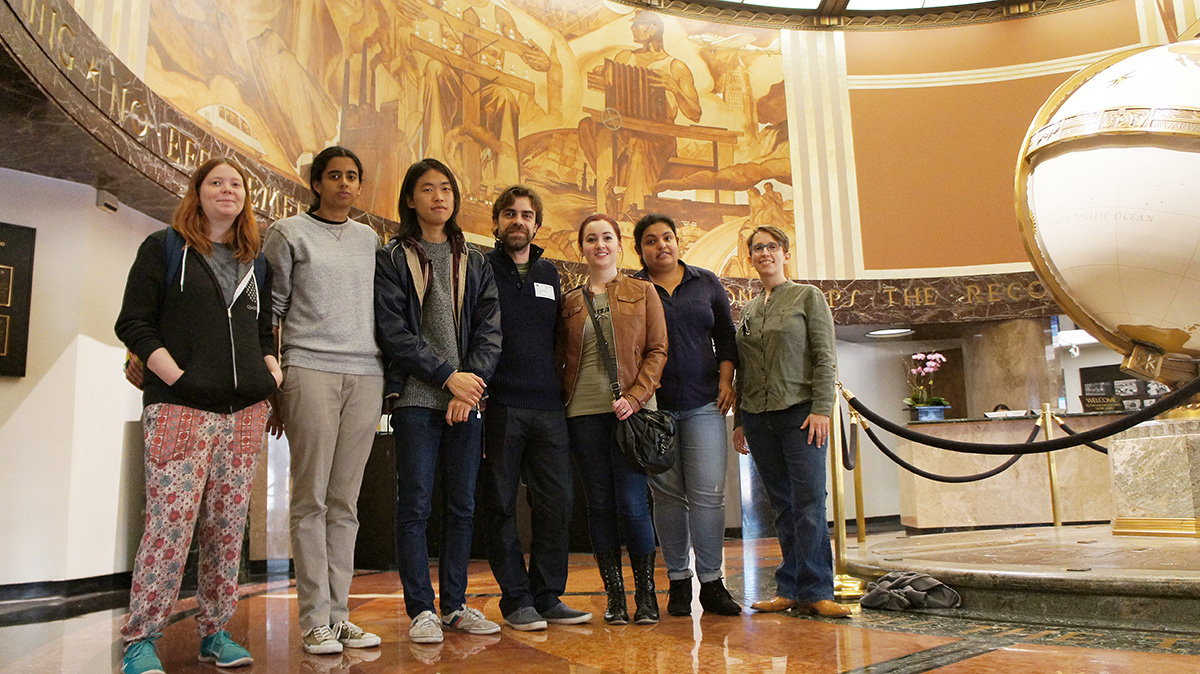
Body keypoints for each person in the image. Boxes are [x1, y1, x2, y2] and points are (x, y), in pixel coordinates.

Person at [114, 157, 281, 674]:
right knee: (169, 525)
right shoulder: (163, 248)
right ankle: (141, 638)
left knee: (227, 528)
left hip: (243, 412)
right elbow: (135, 322)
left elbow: (262, 334)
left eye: (236, 184)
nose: (227, 190)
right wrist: (176, 378)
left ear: (246, 198)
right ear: (198, 191)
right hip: (180, 409)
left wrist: (270, 375)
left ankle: (216, 630)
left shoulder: (258, 262)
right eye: (216, 182)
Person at [374, 158, 503, 644]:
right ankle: (420, 609)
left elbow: (491, 331)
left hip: (466, 398)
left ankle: (454, 605)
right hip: (415, 398)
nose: (438, 197)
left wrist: (470, 385)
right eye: (427, 189)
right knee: (416, 504)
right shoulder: (392, 258)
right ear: (410, 199)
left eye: (446, 188)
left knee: (463, 505)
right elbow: (394, 332)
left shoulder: (475, 259)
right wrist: (449, 376)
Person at [262, 146, 385, 655]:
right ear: (317, 182)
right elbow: (271, 312)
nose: (344, 185)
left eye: (352, 177)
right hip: (307, 367)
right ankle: (314, 619)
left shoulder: (370, 239)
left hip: (366, 372)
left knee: (346, 501)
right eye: (334, 176)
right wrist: (274, 387)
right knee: (309, 496)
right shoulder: (287, 233)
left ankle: (339, 614)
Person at [478, 186, 593, 631]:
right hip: (499, 405)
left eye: (526, 215)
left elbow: (560, 341)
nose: (518, 222)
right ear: (496, 222)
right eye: (510, 214)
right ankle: (516, 599)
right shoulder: (480, 269)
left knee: (556, 503)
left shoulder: (550, 274)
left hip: (548, 407)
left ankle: (547, 596)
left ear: (537, 225)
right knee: (501, 504)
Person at [731, 225, 851, 618]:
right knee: (781, 506)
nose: (764, 253)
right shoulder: (748, 309)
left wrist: (821, 408)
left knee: (809, 503)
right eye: (757, 249)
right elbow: (744, 369)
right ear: (751, 258)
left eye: (771, 247)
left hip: (801, 414)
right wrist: (741, 420)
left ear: (785, 253)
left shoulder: (807, 296)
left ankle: (818, 592)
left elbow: (824, 356)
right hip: (759, 419)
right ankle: (789, 588)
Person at [557, 214, 668, 625]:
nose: (599, 244)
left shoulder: (643, 292)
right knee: (599, 506)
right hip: (582, 414)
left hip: (632, 415)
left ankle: (647, 596)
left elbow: (657, 351)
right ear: (581, 248)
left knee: (633, 505)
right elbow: (560, 361)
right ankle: (616, 599)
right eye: (590, 239)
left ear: (619, 245)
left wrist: (637, 398)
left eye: (607, 237)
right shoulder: (569, 301)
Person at [632, 214, 742, 617]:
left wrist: (727, 381)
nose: (661, 245)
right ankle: (678, 581)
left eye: (667, 238)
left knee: (709, 497)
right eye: (650, 241)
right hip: (655, 410)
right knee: (666, 496)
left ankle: (712, 583)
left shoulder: (706, 282)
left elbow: (726, 337)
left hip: (704, 404)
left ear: (678, 242)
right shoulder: (633, 288)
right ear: (639, 249)